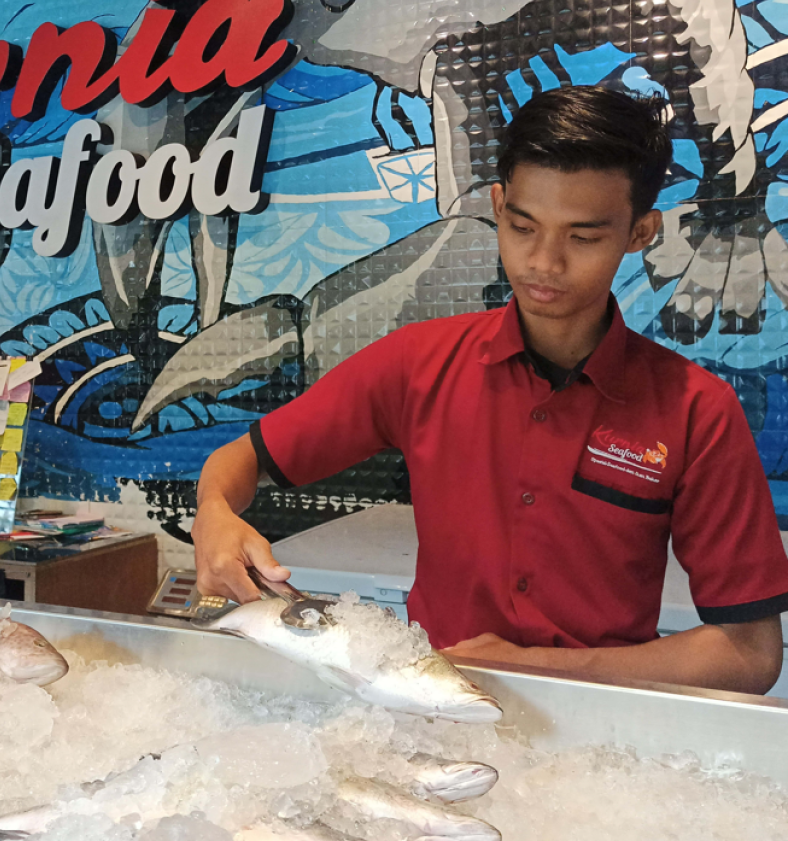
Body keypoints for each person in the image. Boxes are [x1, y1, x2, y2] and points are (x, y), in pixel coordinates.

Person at [191, 85, 788, 695]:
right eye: (523, 226)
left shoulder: (696, 411)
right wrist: (213, 514)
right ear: (499, 205)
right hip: (430, 706)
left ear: (640, 232)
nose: (544, 262)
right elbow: (239, 461)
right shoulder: (418, 364)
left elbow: (751, 654)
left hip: (602, 725)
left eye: (583, 238)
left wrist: (534, 666)